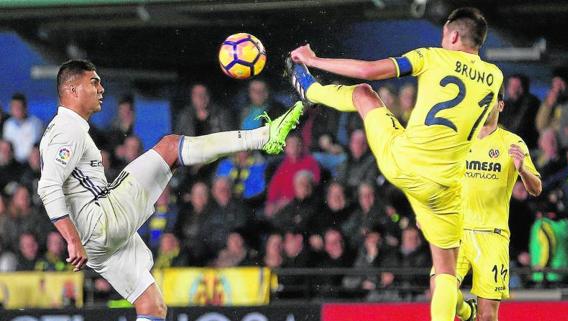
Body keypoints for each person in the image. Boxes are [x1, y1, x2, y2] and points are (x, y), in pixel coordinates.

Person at [37, 59, 303, 321]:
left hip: (95, 240)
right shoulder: (66, 130)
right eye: (93, 82)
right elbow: (48, 188)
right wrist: (71, 240)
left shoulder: (67, 130)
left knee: (151, 307)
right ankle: (264, 136)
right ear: (72, 90)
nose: (101, 89)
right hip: (98, 222)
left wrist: (77, 239)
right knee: (170, 146)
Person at [287, 7, 502, 321]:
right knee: (445, 270)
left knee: (363, 95)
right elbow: (490, 124)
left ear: (453, 35)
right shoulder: (495, 77)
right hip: (445, 187)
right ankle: (460, 312)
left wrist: (313, 60)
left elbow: (369, 71)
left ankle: (311, 89)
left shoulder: (430, 57)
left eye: (444, 34)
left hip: (404, 162)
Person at [436, 88, 541, 321]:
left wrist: (522, 170)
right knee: (439, 291)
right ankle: (466, 311)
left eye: (489, 101)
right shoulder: (458, 139)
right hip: (456, 233)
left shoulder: (513, 143)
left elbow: (536, 189)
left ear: (500, 106)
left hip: (492, 236)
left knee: (488, 315)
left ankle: (476, 312)